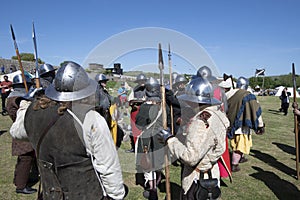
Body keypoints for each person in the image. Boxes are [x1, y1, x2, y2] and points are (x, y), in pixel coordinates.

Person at [24, 62, 127, 200]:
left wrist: (27, 103)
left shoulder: (33, 110)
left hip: (50, 194)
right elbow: (108, 166)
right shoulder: (91, 119)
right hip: (86, 194)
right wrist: (116, 195)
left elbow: (18, 132)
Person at [158, 77, 230, 199]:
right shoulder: (218, 114)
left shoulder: (200, 122)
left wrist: (170, 139)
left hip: (198, 176)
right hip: (212, 170)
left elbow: (190, 157)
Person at [220, 76, 265, 172]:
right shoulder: (248, 95)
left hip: (230, 124)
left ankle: (240, 158)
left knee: (235, 143)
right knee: (241, 145)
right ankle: (234, 164)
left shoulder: (229, 93)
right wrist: (260, 125)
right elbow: (256, 111)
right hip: (242, 125)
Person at [6, 73, 38, 194]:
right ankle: (21, 186)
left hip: (24, 130)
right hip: (22, 130)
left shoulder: (15, 96)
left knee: (23, 158)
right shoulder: (16, 99)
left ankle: (18, 180)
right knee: (26, 159)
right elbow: (17, 115)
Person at [127, 73, 147, 153]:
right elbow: (130, 100)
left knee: (145, 130)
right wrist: (132, 103)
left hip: (145, 111)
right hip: (135, 110)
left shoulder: (148, 89)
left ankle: (144, 147)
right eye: (140, 81)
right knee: (134, 130)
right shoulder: (134, 89)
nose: (141, 82)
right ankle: (135, 147)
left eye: (143, 81)